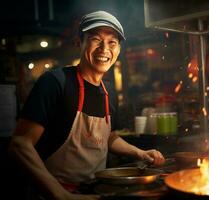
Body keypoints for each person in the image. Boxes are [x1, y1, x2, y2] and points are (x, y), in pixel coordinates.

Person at [8, 10, 165, 200]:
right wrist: (62, 195)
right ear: (79, 42)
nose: (104, 48)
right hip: (52, 194)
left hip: (95, 191)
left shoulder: (108, 92)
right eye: (96, 39)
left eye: (112, 42)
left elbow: (107, 137)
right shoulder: (55, 82)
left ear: (118, 50)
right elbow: (20, 144)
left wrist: (140, 153)